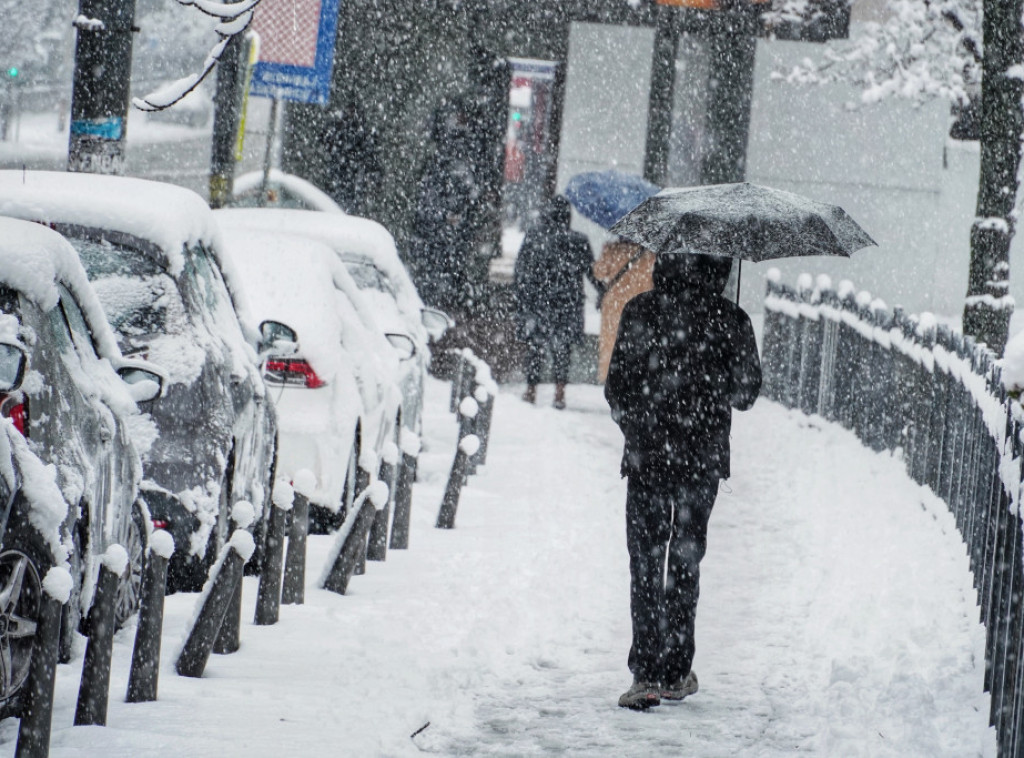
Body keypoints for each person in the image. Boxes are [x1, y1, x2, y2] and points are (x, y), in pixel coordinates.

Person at [604, 253, 762, 710]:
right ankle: (675, 670)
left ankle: (646, 672)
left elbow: (617, 387)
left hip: (648, 456)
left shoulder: (640, 310)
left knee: (646, 560)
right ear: (721, 266)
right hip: (702, 460)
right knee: (685, 560)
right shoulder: (731, 319)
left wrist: (637, 424)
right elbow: (746, 394)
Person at [514, 195, 602, 409]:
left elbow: (521, 271)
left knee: (536, 347)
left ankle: (531, 390)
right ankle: (559, 393)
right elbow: (590, 272)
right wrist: (603, 290)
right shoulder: (578, 240)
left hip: (539, 301)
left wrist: (521, 297)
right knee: (563, 349)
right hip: (568, 302)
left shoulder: (535, 236)